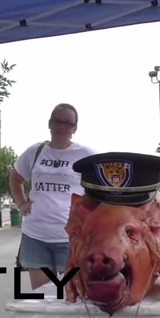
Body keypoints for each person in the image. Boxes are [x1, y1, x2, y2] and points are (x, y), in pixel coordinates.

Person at [8, 103, 98, 290]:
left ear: (75, 128)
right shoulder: (35, 151)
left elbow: (101, 186)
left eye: (67, 123)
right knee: (43, 297)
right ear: (49, 123)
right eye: (57, 121)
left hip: (71, 237)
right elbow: (15, 179)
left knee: (73, 295)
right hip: (36, 235)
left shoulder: (86, 155)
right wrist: (21, 203)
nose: (61, 127)